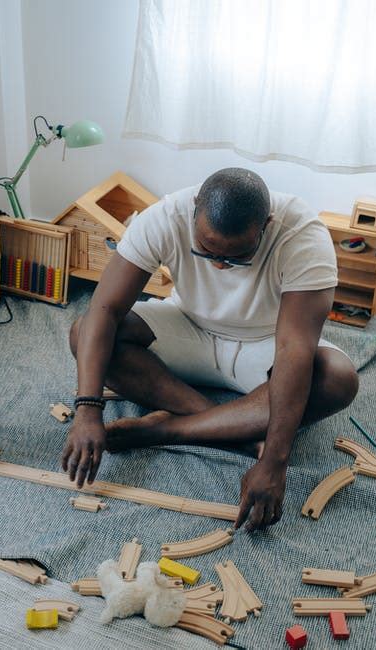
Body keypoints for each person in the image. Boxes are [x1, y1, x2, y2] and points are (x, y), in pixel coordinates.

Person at [63, 167, 358, 532]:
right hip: (188, 326)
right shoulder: (165, 217)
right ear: (194, 208)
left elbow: (293, 348)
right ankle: (230, 428)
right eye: (207, 250)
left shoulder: (303, 235)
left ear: (266, 224)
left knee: (338, 379)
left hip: (266, 343)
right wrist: (88, 408)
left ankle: (170, 430)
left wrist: (275, 462)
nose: (219, 264)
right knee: (84, 333)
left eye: (236, 256)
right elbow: (103, 311)